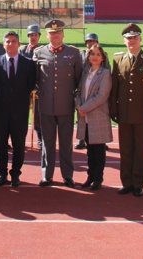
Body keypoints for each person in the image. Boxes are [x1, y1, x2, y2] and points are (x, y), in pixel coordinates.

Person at [110, 24, 143, 196]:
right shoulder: (118, 59)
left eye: (135, 38)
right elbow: (115, 87)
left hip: (142, 113)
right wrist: (113, 109)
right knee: (125, 149)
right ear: (124, 41)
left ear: (140, 39)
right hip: (123, 113)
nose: (131, 41)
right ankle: (127, 182)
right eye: (128, 38)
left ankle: (138, 184)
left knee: (140, 150)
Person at [33, 19, 83, 187]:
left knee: (66, 143)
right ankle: (47, 175)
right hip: (46, 106)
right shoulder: (39, 52)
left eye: (58, 33)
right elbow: (35, 80)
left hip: (66, 105)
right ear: (47, 35)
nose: (55, 36)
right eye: (52, 33)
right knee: (47, 142)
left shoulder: (74, 53)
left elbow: (79, 80)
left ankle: (67, 175)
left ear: (63, 34)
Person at [0, 31, 36, 187]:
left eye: (13, 41)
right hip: (1, 110)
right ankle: (2, 173)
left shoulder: (29, 63)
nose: (10, 44)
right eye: (8, 41)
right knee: (1, 144)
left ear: (19, 44)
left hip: (20, 111)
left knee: (18, 145)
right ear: (3, 44)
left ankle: (15, 174)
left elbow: (31, 85)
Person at [76, 45, 112, 190]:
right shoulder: (85, 72)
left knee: (98, 150)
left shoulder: (105, 74)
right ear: (88, 57)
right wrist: (78, 105)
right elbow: (78, 91)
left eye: (98, 54)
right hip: (85, 118)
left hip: (98, 117)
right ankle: (90, 177)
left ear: (103, 58)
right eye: (92, 54)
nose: (95, 57)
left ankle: (98, 178)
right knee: (90, 150)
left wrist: (84, 108)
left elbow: (102, 96)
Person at [21, 24, 43, 149]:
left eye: (35, 35)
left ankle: (40, 139)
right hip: (23, 89)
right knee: (21, 115)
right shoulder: (21, 50)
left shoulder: (43, 50)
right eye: (31, 35)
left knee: (38, 116)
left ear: (39, 36)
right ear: (28, 36)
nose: (33, 37)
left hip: (37, 89)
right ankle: (20, 139)